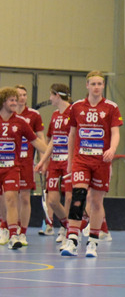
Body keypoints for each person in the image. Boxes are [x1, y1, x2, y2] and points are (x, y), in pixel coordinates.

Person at [61, 71, 122, 258]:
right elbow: (72, 135)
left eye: (100, 84)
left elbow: (115, 133)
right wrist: (70, 161)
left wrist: (112, 149)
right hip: (81, 159)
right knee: (77, 196)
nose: (97, 87)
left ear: (103, 86)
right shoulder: (77, 107)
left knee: (96, 201)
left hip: (101, 161)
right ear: (87, 85)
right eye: (93, 84)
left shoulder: (111, 107)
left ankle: (93, 241)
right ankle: (72, 239)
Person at [0, 87, 48, 249]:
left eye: (16, 99)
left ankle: (14, 235)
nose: (15, 103)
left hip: (12, 168)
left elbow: (37, 142)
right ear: (3, 102)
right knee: (2, 201)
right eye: (11, 100)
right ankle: (3, 226)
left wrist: (49, 154)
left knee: (11, 199)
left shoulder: (21, 122)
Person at [37, 84, 74, 245]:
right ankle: (66, 225)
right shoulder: (54, 115)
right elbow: (53, 140)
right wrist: (42, 161)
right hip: (55, 162)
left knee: (69, 197)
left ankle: (70, 231)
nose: (50, 99)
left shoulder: (74, 112)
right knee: (52, 200)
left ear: (57, 95)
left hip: (69, 161)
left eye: (51, 95)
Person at [14, 85, 43, 244]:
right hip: (8, 162)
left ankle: (22, 231)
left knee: (24, 198)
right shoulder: (5, 114)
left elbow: (40, 139)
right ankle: (7, 227)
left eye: (24, 95)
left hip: (26, 163)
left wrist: (42, 160)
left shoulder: (33, 115)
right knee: (8, 197)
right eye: (19, 95)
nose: (22, 97)